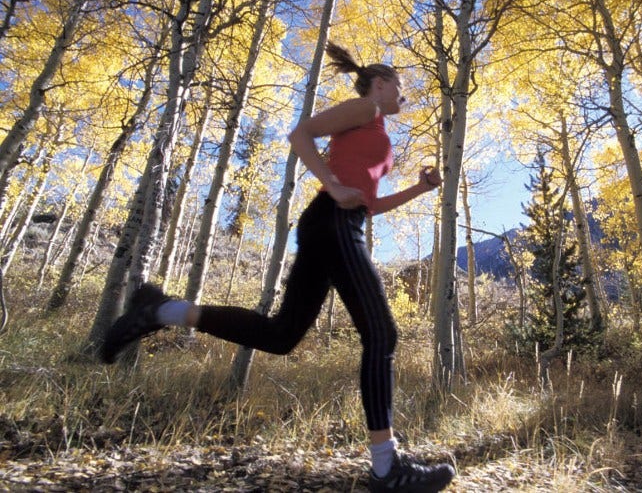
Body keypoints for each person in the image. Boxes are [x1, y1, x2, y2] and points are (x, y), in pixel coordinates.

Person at [102, 42, 455, 493]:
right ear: (380, 83)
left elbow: (366, 202)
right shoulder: (365, 108)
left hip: (340, 223)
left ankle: (160, 311)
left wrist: (418, 191)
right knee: (381, 334)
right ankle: (387, 469)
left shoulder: (375, 125)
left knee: (282, 335)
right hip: (333, 222)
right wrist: (330, 182)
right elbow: (301, 134)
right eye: (399, 86)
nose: (403, 95)